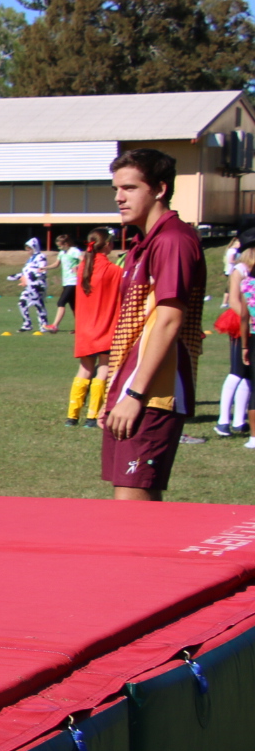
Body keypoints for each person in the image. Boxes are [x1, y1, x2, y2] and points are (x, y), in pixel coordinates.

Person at [97, 149, 206, 501]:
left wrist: (133, 394)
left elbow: (170, 320)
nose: (119, 197)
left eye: (129, 187)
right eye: (116, 188)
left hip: (153, 393)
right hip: (134, 387)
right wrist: (115, 390)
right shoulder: (144, 244)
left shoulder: (173, 240)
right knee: (130, 504)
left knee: (133, 508)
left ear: (159, 189)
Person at [65, 228, 121, 427]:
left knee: (84, 369)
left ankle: (72, 416)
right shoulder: (113, 271)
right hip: (105, 326)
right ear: (107, 244)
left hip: (85, 328)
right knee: (104, 368)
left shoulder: (83, 267)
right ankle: (93, 416)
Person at [218, 241, 255, 438]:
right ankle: (223, 419)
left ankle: (239, 420)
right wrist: (250, 318)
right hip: (240, 319)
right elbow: (233, 300)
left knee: (248, 375)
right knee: (236, 371)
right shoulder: (239, 270)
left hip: (250, 320)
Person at [8, 237, 49, 333]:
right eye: (27, 249)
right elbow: (26, 273)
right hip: (29, 286)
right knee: (22, 303)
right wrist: (17, 276)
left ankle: (44, 325)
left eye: (29, 249)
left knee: (39, 305)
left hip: (37, 286)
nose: (27, 251)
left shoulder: (41, 257)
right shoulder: (30, 260)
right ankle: (27, 324)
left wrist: (33, 276)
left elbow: (42, 271)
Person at [44, 232, 81, 334]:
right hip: (66, 282)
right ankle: (80, 328)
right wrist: (45, 268)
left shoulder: (74, 251)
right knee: (74, 306)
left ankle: (54, 326)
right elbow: (56, 264)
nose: (59, 247)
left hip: (74, 281)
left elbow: (84, 260)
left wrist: (78, 267)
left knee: (61, 302)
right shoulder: (61, 253)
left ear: (66, 243)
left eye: (60, 245)